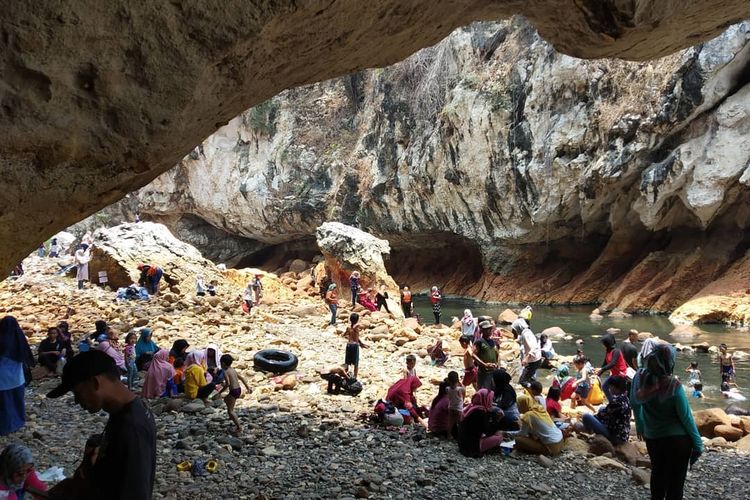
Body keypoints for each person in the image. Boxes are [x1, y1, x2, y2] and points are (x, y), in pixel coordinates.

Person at [46, 350, 156, 500]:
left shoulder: (132, 428)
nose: (77, 401)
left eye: (77, 393)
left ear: (95, 382)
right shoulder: (124, 412)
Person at [631, 343, 703, 500]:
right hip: (678, 441)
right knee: (675, 485)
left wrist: (640, 423)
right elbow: (686, 417)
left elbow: (635, 403)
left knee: (658, 476)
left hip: (653, 439)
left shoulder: (640, 378)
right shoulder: (673, 385)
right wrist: (698, 443)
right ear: (670, 361)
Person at [0, 316, 34, 436]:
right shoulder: (19, 338)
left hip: (3, 378)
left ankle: (5, 427)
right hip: (18, 378)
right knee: (17, 401)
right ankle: (18, 422)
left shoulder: (1, 339)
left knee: (4, 404)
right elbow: (27, 356)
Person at [579, 376, 631, 445]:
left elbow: (599, 416)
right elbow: (604, 388)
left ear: (615, 388)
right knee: (602, 408)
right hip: (623, 434)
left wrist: (587, 420)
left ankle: (588, 430)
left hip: (616, 437)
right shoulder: (625, 398)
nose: (609, 389)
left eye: (611, 387)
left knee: (586, 417)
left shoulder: (616, 402)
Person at [457, 388, 503, 457]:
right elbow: (487, 431)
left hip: (462, 443)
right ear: (486, 399)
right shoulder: (480, 412)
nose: (491, 401)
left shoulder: (470, 407)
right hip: (471, 447)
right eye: (490, 399)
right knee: (499, 437)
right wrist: (497, 421)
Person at [216, 354, 252, 435]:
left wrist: (220, 392)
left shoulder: (225, 372)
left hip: (234, 391)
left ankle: (239, 427)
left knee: (230, 411)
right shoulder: (233, 370)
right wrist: (247, 387)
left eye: (221, 363)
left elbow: (228, 384)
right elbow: (242, 378)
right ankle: (232, 417)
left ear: (223, 363)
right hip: (238, 389)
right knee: (226, 399)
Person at [595, 333, 628, 402]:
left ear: (608, 343)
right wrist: (597, 375)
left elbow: (612, 363)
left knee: (619, 393)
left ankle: (622, 405)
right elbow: (605, 364)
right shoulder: (608, 350)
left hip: (621, 375)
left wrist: (601, 369)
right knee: (605, 387)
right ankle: (612, 402)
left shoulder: (616, 351)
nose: (603, 345)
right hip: (614, 374)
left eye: (604, 343)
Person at [474, 321, 499, 389]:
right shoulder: (479, 342)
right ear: (482, 330)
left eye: (490, 329)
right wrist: (484, 364)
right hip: (483, 372)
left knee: (493, 390)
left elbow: (497, 353)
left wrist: (497, 363)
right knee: (483, 390)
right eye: (487, 329)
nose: (489, 331)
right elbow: (473, 355)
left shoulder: (493, 342)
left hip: (493, 370)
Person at [344, 312, 367, 379]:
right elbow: (357, 338)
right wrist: (362, 344)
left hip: (349, 345)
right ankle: (355, 377)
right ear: (357, 320)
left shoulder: (348, 327)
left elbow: (344, 334)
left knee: (347, 362)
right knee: (355, 363)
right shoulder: (357, 327)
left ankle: (346, 376)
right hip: (355, 346)